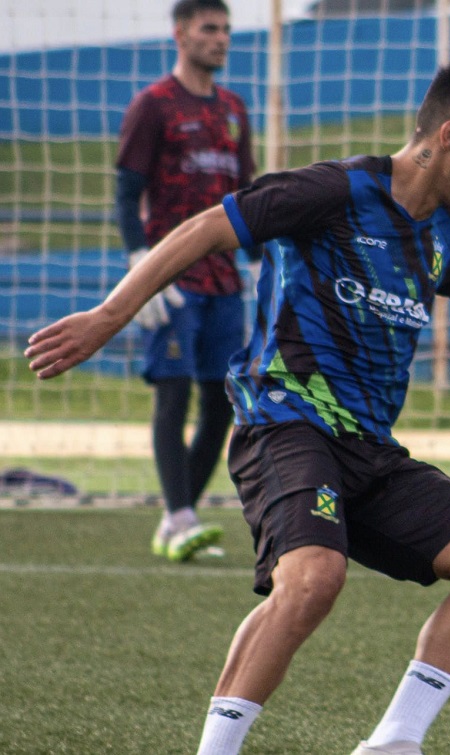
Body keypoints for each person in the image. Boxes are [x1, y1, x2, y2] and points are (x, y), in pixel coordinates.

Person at [28, 59, 450, 755]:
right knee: (313, 578)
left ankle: (393, 743)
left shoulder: (448, 228)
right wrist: (107, 316)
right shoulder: (335, 190)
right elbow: (208, 227)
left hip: (369, 447)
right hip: (284, 420)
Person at [115, 0, 259, 562]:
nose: (220, 38)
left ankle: (183, 514)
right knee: (172, 393)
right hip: (172, 274)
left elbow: (245, 195)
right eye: (209, 28)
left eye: (226, 29)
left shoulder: (233, 108)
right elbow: (127, 192)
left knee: (223, 401)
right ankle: (177, 519)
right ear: (180, 34)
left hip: (224, 280)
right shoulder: (153, 106)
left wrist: (254, 264)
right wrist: (138, 263)